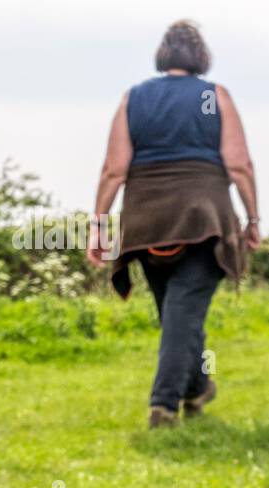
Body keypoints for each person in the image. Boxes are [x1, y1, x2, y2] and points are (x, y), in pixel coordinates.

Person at [86, 19, 260, 429]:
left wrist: (99, 224)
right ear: (201, 58)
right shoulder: (214, 96)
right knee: (181, 314)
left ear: (162, 56)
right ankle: (164, 406)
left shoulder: (134, 99)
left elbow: (114, 169)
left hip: (148, 223)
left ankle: (197, 389)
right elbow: (239, 164)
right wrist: (252, 218)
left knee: (177, 314)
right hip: (204, 218)